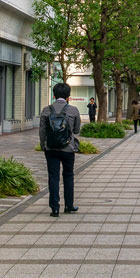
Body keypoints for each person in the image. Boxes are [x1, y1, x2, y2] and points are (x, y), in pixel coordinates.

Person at [40, 82, 81, 218]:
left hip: (51, 149)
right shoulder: (73, 110)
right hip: (68, 149)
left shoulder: (46, 110)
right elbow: (76, 130)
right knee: (68, 175)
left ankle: (55, 208)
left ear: (54, 95)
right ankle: (69, 205)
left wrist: (43, 145)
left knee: (53, 177)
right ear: (68, 96)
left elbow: (42, 131)